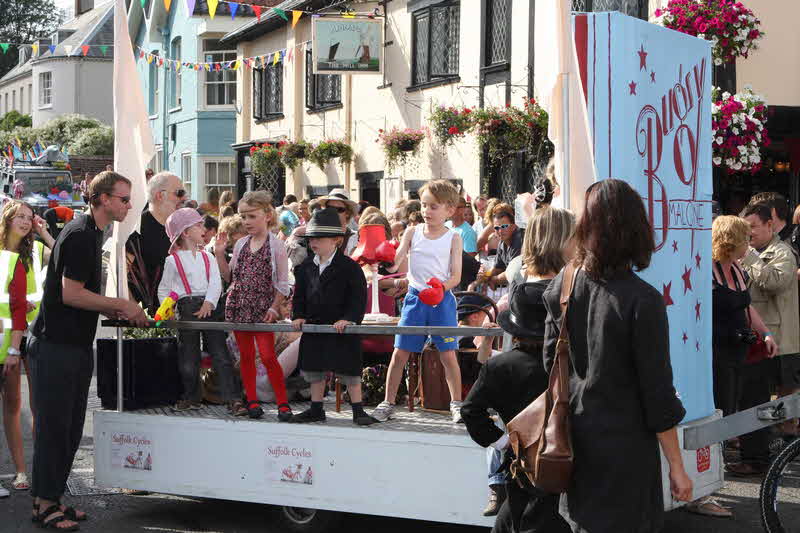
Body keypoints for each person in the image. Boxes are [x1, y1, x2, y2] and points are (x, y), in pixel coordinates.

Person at [542, 179, 692, 532]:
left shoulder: (564, 286)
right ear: (636, 229)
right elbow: (657, 392)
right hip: (625, 449)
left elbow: (551, 365)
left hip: (574, 439)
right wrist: (677, 465)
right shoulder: (643, 300)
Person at [28, 171, 148, 530]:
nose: (129, 205)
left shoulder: (93, 232)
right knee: (55, 428)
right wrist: (121, 305)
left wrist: (112, 307)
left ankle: (50, 499)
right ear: (103, 199)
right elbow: (70, 294)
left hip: (73, 346)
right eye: (124, 199)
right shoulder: (82, 235)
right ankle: (45, 502)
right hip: (55, 347)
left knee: (69, 430)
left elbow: (79, 296)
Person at [462, 283, 573, 533]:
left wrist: (504, 442)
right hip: (569, 459)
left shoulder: (499, 367)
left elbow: (470, 411)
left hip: (522, 460)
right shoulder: (570, 365)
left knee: (517, 519)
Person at [371, 179, 464, 424]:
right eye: (424, 205)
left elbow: (456, 276)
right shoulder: (412, 232)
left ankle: (457, 404)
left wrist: (441, 287)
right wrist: (381, 256)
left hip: (441, 300)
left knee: (448, 355)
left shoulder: (453, 237)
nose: (427, 211)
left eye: (433, 207)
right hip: (414, 299)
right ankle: (388, 402)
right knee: (400, 353)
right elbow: (394, 262)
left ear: (449, 210)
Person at [289, 207, 376, 425]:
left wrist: (349, 318)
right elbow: (299, 296)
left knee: (349, 369)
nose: (313, 243)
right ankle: (316, 408)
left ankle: (358, 410)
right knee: (314, 369)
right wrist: (298, 315)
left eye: (319, 238)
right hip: (315, 325)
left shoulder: (350, 268)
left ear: (336, 240)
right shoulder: (306, 267)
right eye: (310, 239)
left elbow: (358, 298)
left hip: (341, 327)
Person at [733, 202, 800, 474]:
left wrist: (749, 257)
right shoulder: (749, 253)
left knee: (773, 400)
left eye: (753, 228)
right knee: (754, 398)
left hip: (779, 341)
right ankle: (760, 453)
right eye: (744, 229)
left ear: (770, 225)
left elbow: (775, 282)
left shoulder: (782, 252)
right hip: (755, 341)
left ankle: (771, 455)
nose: (749, 235)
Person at [218, 190, 292, 421]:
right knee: (247, 356)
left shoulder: (276, 245)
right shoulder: (240, 244)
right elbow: (230, 276)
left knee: (269, 356)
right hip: (240, 306)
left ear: (267, 215)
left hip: (262, 308)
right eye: (243, 217)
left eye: (252, 216)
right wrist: (219, 254)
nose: (247, 221)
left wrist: (274, 307)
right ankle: (251, 401)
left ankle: (283, 404)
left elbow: (282, 282)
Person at [158, 208, 237, 414]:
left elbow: (215, 282)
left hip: (209, 308)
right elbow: (164, 289)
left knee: (220, 354)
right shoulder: (172, 261)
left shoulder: (207, 257)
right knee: (188, 356)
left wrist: (209, 303)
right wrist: (166, 307)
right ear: (185, 233)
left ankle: (232, 398)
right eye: (198, 225)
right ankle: (192, 396)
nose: (203, 228)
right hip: (185, 308)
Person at [0, 201, 54, 496]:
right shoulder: (1, 255)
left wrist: (45, 234)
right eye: (19, 216)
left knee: (37, 405)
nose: (25, 221)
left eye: (28, 217)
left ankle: (35, 470)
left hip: (35, 334)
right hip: (8, 338)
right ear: (7, 219)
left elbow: (65, 253)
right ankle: (20, 469)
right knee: (12, 405)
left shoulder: (35, 249)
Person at [126, 171, 186, 315]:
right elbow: (122, 273)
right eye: (179, 193)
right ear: (160, 195)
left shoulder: (181, 228)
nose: (184, 198)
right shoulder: (137, 229)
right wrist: (134, 311)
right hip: (148, 319)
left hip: (179, 315)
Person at [484, 203, 524, 290]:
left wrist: (494, 280)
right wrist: (485, 275)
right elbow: (498, 267)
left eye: (504, 226)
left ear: (513, 226)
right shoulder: (501, 243)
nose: (500, 231)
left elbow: (513, 273)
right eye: (497, 228)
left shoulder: (519, 240)